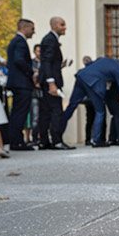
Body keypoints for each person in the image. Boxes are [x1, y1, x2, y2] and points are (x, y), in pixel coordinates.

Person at [61, 56, 119, 146]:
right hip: (93, 83)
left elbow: (90, 64)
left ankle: (56, 136)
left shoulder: (105, 60)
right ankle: (96, 140)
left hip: (81, 76)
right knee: (100, 111)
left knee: (71, 106)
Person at [38, 16, 73, 150]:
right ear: (54, 26)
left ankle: (44, 141)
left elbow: (50, 63)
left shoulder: (51, 40)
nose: (65, 27)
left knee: (46, 112)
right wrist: (51, 83)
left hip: (48, 79)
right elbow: (46, 62)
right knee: (56, 111)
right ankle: (57, 141)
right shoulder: (50, 40)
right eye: (62, 25)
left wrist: (61, 65)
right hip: (51, 82)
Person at [5, 18, 35, 150]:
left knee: (17, 112)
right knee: (20, 112)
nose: (34, 32)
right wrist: (31, 71)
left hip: (17, 82)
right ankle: (17, 141)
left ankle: (15, 140)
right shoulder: (20, 42)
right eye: (32, 29)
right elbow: (19, 60)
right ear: (24, 28)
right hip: (21, 83)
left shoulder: (15, 41)